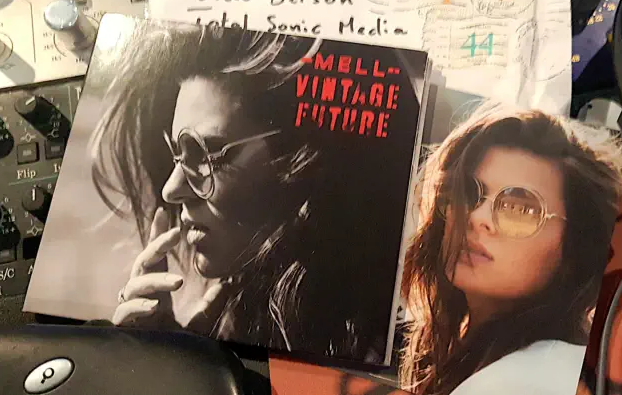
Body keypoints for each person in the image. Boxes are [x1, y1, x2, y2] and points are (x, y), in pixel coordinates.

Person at [90, 22, 401, 359]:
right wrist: (176, 363)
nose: (172, 189)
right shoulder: (233, 318)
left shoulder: (390, 341)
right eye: (177, 153)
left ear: (303, 161)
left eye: (208, 154)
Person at [400, 105, 622, 395]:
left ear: (573, 249)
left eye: (520, 208)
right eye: (469, 192)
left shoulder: (527, 379)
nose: (476, 217)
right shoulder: (477, 358)